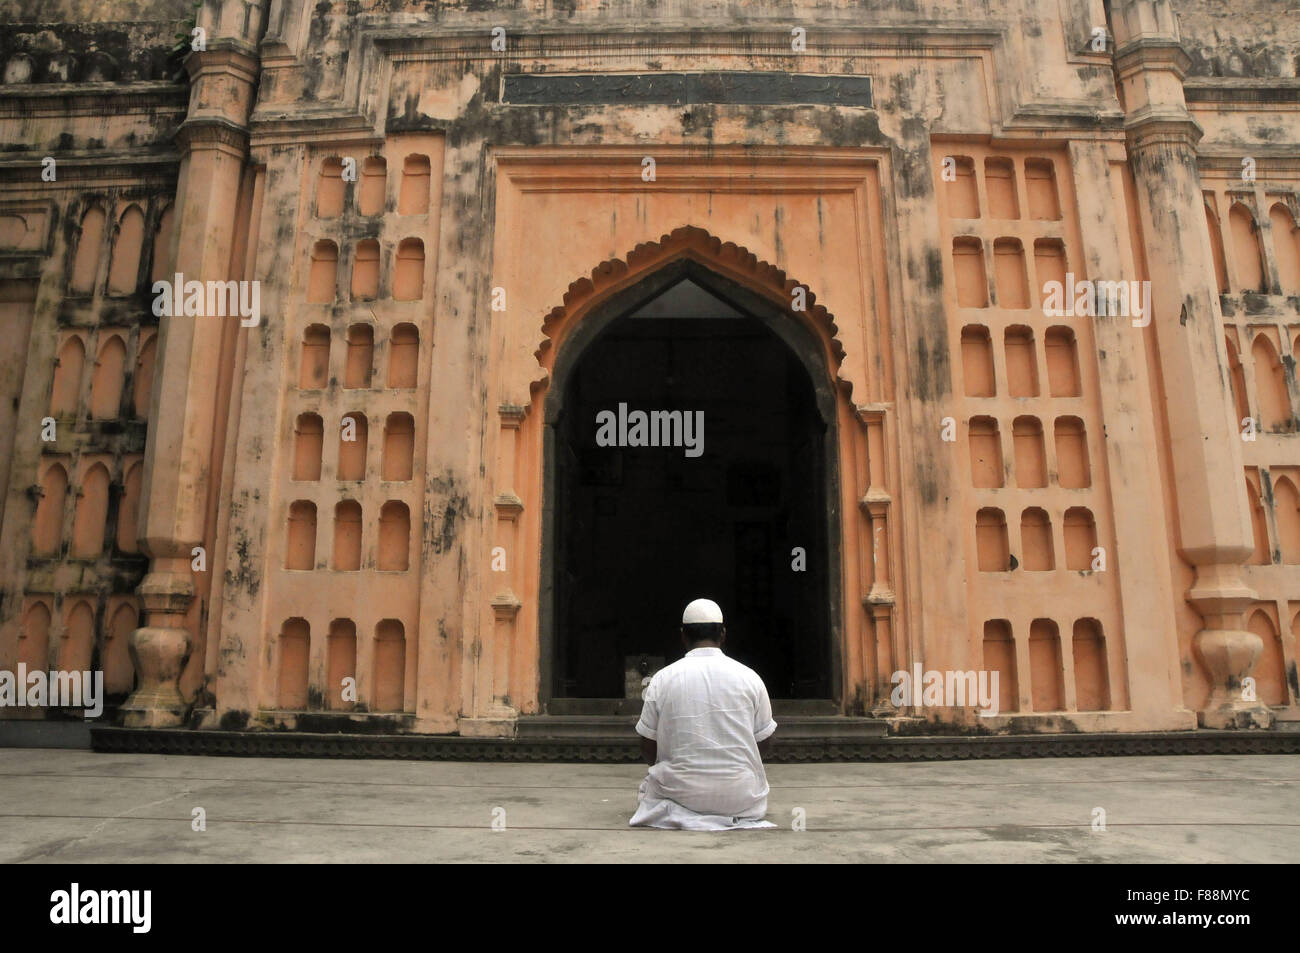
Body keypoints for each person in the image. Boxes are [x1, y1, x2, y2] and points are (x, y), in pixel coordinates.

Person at [629, 598, 778, 830]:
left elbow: (648, 748)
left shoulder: (661, 679)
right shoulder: (751, 678)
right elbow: (764, 744)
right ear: (723, 634)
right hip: (742, 799)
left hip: (679, 794)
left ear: (683, 636)